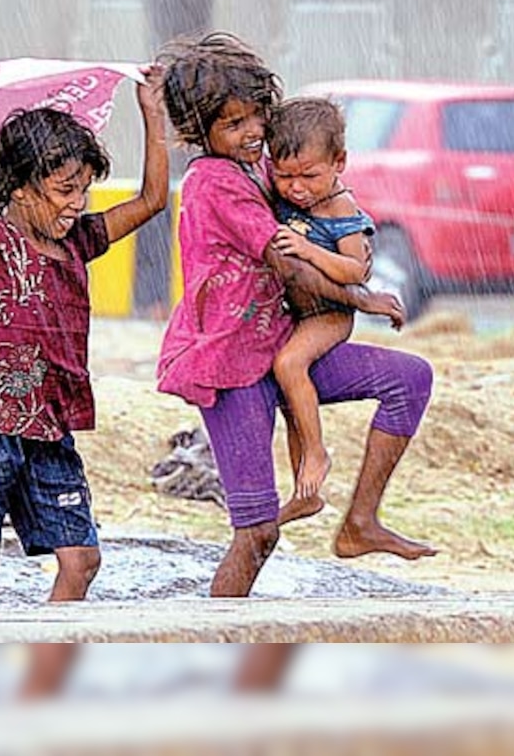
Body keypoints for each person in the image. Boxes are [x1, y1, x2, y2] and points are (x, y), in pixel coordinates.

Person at [0, 65, 169, 702]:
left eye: (84, 191)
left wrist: (150, 111)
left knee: (81, 560)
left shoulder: (80, 244)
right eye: (65, 189)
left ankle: (40, 690)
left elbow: (152, 201)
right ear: (20, 186)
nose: (78, 204)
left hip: (51, 429)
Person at [155, 32, 436, 599]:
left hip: (280, 346)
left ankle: (360, 523)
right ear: (200, 132)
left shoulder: (262, 169)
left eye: (255, 115)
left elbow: (323, 206)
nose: (251, 130)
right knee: (257, 532)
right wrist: (364, 298)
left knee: (411, 379)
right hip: (231, 365)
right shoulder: (215, 182)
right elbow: (290, 266)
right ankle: (215, 643)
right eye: (231, 124)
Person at [266, 98, 404, 526]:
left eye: (309, 175)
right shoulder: (287, 194)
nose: (296, 188)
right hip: (297, 310)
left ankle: (317, 452)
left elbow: (355, 270)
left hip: (330, 313)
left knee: (288, 364)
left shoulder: (340, 208)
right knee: (291, 400)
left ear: (338, 162)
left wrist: (307, 250)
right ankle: (304, 493)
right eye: (285, 176)